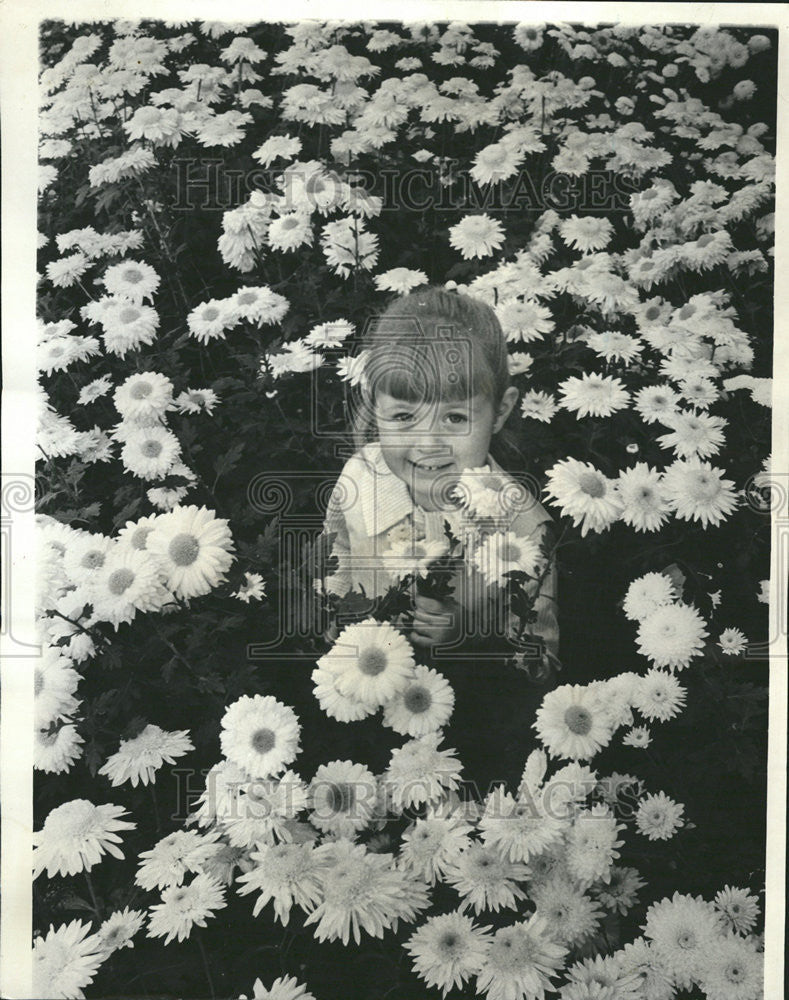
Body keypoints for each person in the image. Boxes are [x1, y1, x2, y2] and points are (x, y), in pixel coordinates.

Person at [318, 285, 560, 790]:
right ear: (374, 406)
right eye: (404, 416)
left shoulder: (523, 528)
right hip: (362, 713)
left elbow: (538, 664)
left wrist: (466, 635)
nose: (428, 444)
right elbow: (330, 587)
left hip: (472, 731)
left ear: (501, 410)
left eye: (455, 417)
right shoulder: (359, 482)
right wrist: (355, 628)